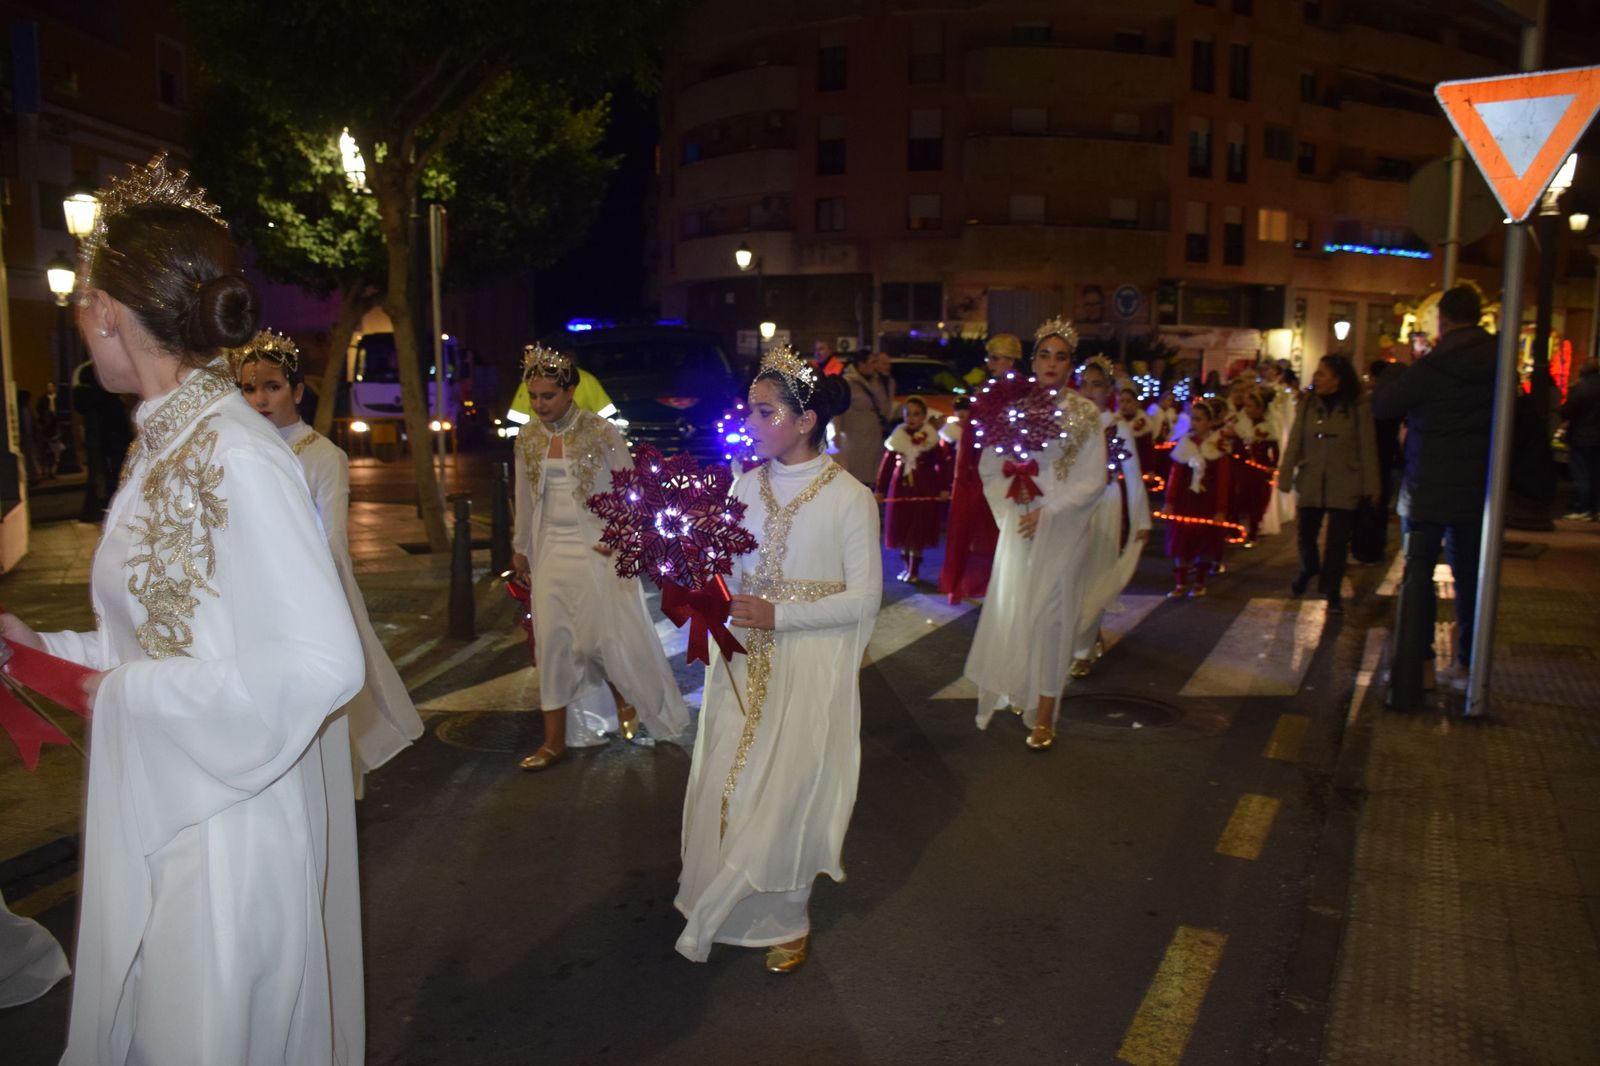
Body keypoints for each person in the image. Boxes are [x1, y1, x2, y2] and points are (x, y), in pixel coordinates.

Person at [0, 153, 366, 1065]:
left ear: (109, 314)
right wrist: (37, 647)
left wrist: (120, 698)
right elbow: (165, 638)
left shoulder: (236, 454)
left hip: (226, 835)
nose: (81, 325)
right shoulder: (164, 446)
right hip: (169, 807)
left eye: (83, 309)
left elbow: (322, 663)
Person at [676, 345, 877, 973]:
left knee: (791, 789)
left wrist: (781, 614)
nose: (751, 424)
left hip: (810, 664)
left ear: (805, 419)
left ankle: (787, 918)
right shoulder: (742, 484)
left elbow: (866, 597)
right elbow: (731, 570)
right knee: (732, 778)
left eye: (765, 413)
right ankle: (727, 904)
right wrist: (703, 585)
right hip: (742, 662)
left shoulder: (849, 498)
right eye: (750, 411)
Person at [234, 329, 425, 797]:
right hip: (244, 605)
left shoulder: (324, 455)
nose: (259, 397)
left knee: (317, 728)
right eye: (249, 387)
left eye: (272, 386)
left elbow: (332, 542)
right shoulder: (233, 450)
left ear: (297, 391)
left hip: (303, 608)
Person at [509, 344, 691, 770]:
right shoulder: (528, 438)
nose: (539, 405)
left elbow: (630, 488)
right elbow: (522, 494)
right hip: (550, 550)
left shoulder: (601, 432)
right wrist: (521, 548)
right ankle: (553, 740)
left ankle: (626, 695)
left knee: (599, 639)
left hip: (597, 548)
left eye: (547, 396)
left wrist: (622, 534)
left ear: (570, 391)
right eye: (533, 396)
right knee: (553, 643)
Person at [962, 317, 1106, 751]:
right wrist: (1013, 507)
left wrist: (1050, 510)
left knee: (1053, 619)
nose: (1051, 363)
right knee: (1017, 609)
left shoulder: (1085, 414)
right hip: (1021, 527)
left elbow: (1092, 479)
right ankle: (1015, 685)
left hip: (1064, 529)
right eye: (1044, 354)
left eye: (1060, 357)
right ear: (1033, 359)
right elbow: (990, 467)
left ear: (1070, 366)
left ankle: (1045, 711)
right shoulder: (1013, 406)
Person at [1372, 285, 1497, 707]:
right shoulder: (1499, 361)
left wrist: (1400, 365)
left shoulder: (1434, 364)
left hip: (1427, 485)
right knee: (1472, 577)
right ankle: (1469, 664)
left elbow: (1384, 404)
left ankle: (1417, 665)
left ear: (1442, 320)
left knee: (1420, 577)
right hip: (1479, 486)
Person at [1278, 355, 1379, 615]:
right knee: (1306, 536)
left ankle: (1331, 590)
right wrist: (1286, 475)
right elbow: (1295, 442)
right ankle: (1308, 568)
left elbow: (1367, 448)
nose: (1316, 378)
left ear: (1338, 378)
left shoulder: (1358, 407)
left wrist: (1372, 486)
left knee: (1337, 542)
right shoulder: (1309, 404)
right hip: (1312, 478)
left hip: (1345, 480)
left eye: (1322, 373)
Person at [1072, 358, 1151, 677]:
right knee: (1073, 575)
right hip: (1073, 509)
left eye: (1098, 385)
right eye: (1085, 384)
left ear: (1108, 391)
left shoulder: (1117, 427)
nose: (1090, 391)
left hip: (1105, 504)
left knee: (1096, 573)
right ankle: (1083, 635)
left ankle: (1083, 648)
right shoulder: (1068, 423)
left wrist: (1140, 520)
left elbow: (1132, 474)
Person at [1160, 397, 1234, 598]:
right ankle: (1181, 583)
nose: (1194, 423)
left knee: (1205, 541)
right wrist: (1169, 501)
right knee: (1182, 541)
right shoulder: (1184, 444)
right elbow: (1175, 477)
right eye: (1192, 418)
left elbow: (1222, 481)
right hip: (1186, 501)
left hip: (1206, 501)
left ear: (1210, 422)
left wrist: (1221, 509)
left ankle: (1200, 582)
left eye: (1199, 419)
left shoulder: (1217, 446)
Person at [874, 395, 952, 583]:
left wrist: (944, 487)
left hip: (923, 485)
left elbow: (942, 464)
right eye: (907, 414)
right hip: (900, 486)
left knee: (917, 526)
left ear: (924, 416)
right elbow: (887, 464)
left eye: (916, 414)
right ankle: (905, 566)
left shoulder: (931, 438)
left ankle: (914, 569)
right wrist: (880, 489)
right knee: (902, 526)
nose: (911, 418)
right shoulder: (898, 437)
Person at [937, 396, 1000, 604]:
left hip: (981, 489)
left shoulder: (981, 436)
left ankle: (982, 582)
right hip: (965, 489)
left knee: (984, 537)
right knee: (965, 536)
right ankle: (965, 583)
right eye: (960, 416)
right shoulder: (951, 437)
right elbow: (947, 464)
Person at [1352, 360, 1405, 561]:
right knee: (1378, 503)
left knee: (1368, 504)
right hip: (1385, 459)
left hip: (1373, 459)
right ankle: (1373, 548)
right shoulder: (1391, 403)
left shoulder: (1370, 403)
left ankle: (1364, 547)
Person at [1227, 388, 1279, 547]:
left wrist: (1272, 466)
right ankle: (1235, 530)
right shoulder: (1239, 423)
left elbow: (1274, 449)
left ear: (1260, 408)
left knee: (1256, 500)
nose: (1247, 409)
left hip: (1259, 468)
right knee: (1237, 496)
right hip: (1240, 466)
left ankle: (1253, 532)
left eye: (1251, 406)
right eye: (1246, 406)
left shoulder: (1267, 426)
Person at [835, 349, 895, 484]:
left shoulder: (879, 381)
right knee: (857, 476)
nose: (875, 366)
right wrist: (837, 435)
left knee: (875, 474)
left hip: (875, 436)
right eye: (872, 362)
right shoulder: (846, 383)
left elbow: (886, 408)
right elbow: (837, 412)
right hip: (855, 439)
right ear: (861, 364)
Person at [1559, 360, 1600, 521]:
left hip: (1583, 436)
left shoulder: (1581, 389)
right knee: (1596, 473)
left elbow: (1568, 411)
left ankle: (1583, 507)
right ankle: (1595, 508)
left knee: (1582, 473)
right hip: (1596, 438)